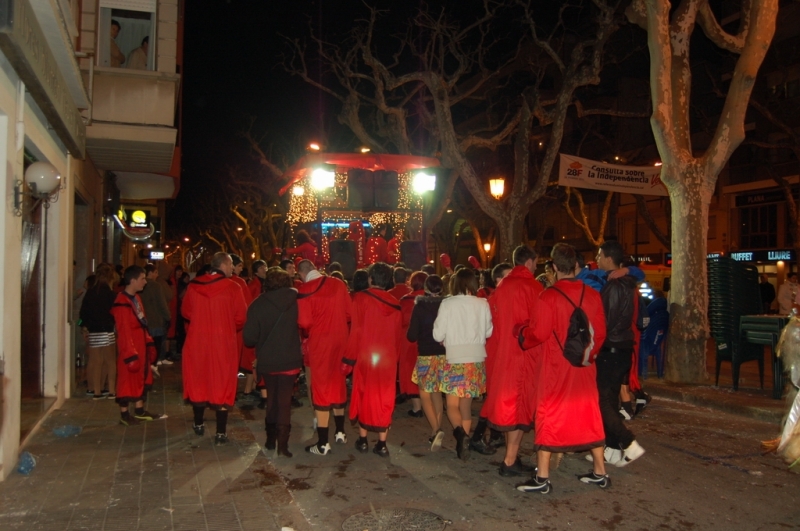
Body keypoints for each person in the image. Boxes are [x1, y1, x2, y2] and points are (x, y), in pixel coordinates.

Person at [516, 243, 609, 493]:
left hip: (556, 366)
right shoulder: (592, 294)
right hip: (584, 365)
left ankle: (542, 478)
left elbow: (538, 333)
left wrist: (522, 334)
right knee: (589, 411)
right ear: (576, 266)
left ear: (555, 267)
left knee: (549, 414)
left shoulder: (548, 296)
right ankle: (600, 471)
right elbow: (600, 332)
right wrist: (588, 354)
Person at [483, 246, 542, 476]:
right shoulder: (533, 287)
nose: (536, 267)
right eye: (536, 262)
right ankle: (509, 461)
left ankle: (511, 456)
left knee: (510, 410)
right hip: (525, 354)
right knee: (520, 409)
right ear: (529, 262)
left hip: (502, 354)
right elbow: (540, 325)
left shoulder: (502, 286)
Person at [182, 252, 248, 445]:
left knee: (198, 380)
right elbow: (241, 318)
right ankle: (220, 432)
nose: (232, 269)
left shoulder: (194, 286)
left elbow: (186, 312)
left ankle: (198, 423)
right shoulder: (233, 287)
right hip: (223, 343)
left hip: (197, 342)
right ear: (225, 265)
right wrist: (226, 327)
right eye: (230, 265)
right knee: (223, 382)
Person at [342, 262, 403, 457]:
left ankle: (362, 440)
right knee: (384, 397)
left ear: (371, 278)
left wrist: (348, 359)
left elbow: (356, 331)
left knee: (363, 394)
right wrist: (396, 359)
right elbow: (397, 336)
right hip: (388, 358)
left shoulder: (361, 299)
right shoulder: (396, 303)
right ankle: (382, 444)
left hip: (367, 356)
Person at [594, 241, 646, 466]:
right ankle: (613, 449)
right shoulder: (626, 281)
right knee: (609, 400)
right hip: (622, 346)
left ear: (608, 258)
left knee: (601, 401)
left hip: (612, 348)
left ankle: (627, 441)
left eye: (599, 254)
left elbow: (606, 320)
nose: (596, 258)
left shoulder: (615, 285)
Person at [433, 269, 493, 461]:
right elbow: (488, 332)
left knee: (451, 404)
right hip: (475, 358)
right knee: (466, 404)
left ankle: (461, 435)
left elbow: (437, 335)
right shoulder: (482, 303)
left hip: (455, 358)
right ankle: (463, 444)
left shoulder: (447, 304)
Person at [244, 267, 302, 458]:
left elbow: (249, 339)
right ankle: (283, 446)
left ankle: (270, 439)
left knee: (271, 399)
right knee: (284, 401)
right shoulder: (297, 302)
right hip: (290, 359)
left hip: (268, 360)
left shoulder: (257, 305)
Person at [297, 259, 352, 455]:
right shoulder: (339, 284)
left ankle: (322, 443)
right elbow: (348, 313)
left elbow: (304, 323)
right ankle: (340, 432)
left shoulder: (305, 289)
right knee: (338, 382)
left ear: (301, 274)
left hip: (320, 343)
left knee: (320, 388)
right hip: (341, 340)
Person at [111, 266, 161, 425]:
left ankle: (139, 409)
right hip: (130, 348)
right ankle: (124, 414)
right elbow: (124, 331)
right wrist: (129, 354)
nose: (145, 282)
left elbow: (142, 321)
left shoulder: (136, 299)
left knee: (141, 377)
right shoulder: (122, 302)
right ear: (132, 281)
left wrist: (148, 342)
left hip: (140, 344)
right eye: (142, 279)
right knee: (127, 379)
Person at [407, 275, 447, 449]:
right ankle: (435, 432)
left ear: (425, 288)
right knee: (437, 393)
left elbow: (411, 335)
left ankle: (436, 428)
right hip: (444, 355)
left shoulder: (420, 307)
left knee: (425, 394)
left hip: (426, 355)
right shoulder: (446, 306)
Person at [80, 264, 117, 400]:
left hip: (94, 330)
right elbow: (115, 313)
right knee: (110, 361)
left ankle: (96, 391)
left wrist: (84, 327)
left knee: (95, 361)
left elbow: (83, 313)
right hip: (107, 329)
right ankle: (112, 390)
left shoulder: (90, 293)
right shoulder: (111, 294)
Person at [399, 272, 427, 417]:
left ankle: (417, 407)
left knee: (411, 370)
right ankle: (430, 405)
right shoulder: (432, 299)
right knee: (427, 371)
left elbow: (400, 321)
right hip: (428, 338)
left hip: (408, 340)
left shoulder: (405, 300)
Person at [230, 254, 257, 403]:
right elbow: (247, 306)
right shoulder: (238, 283)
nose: (241, 269)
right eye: (239, 266)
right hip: (238, 328)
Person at [140, 264, 172, 376]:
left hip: (143, 321)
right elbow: (162, 303)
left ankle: (146, 366)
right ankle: (152, 366)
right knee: (156, 345)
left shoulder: (140, 286)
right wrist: (168, 317)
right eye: (156, 272)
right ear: (151, 273)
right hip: (156, 320)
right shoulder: (156, 286)